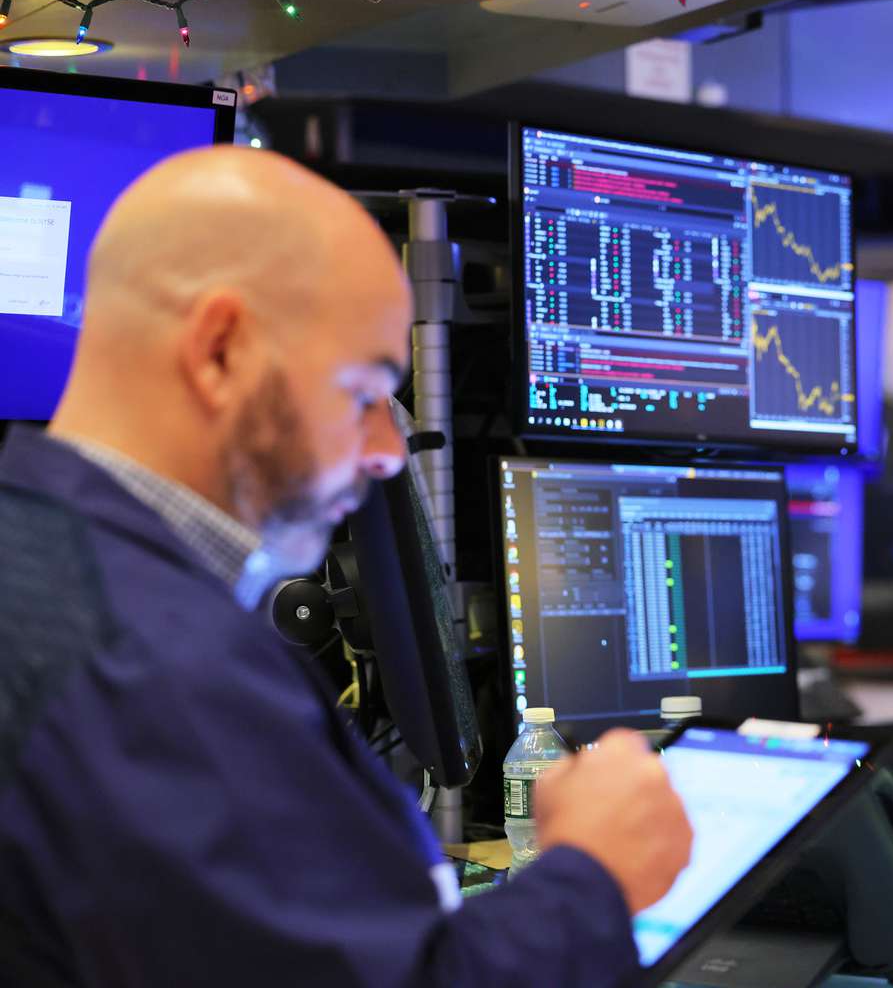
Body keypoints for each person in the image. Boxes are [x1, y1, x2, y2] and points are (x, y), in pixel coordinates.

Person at [0, 148, 692, 984]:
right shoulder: (157, 665)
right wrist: (593, 872)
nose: (383, 456)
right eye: (362, 394)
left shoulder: (39, 558)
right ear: (220, 349)